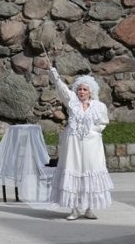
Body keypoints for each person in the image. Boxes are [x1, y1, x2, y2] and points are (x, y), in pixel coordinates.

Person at [47, 62, 113, 220]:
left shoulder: (99, 106)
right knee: (73, 169)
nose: (81, 92)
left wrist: (93, 131)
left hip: (92, 144)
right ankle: (75, 209)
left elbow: (103, 123)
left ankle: (90, 208)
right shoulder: (73, 103)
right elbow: (62, 89)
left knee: (91, 171)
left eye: (85, 89)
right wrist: (54, 73)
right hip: (73, 143)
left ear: (91, 92)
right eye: (79, 89)